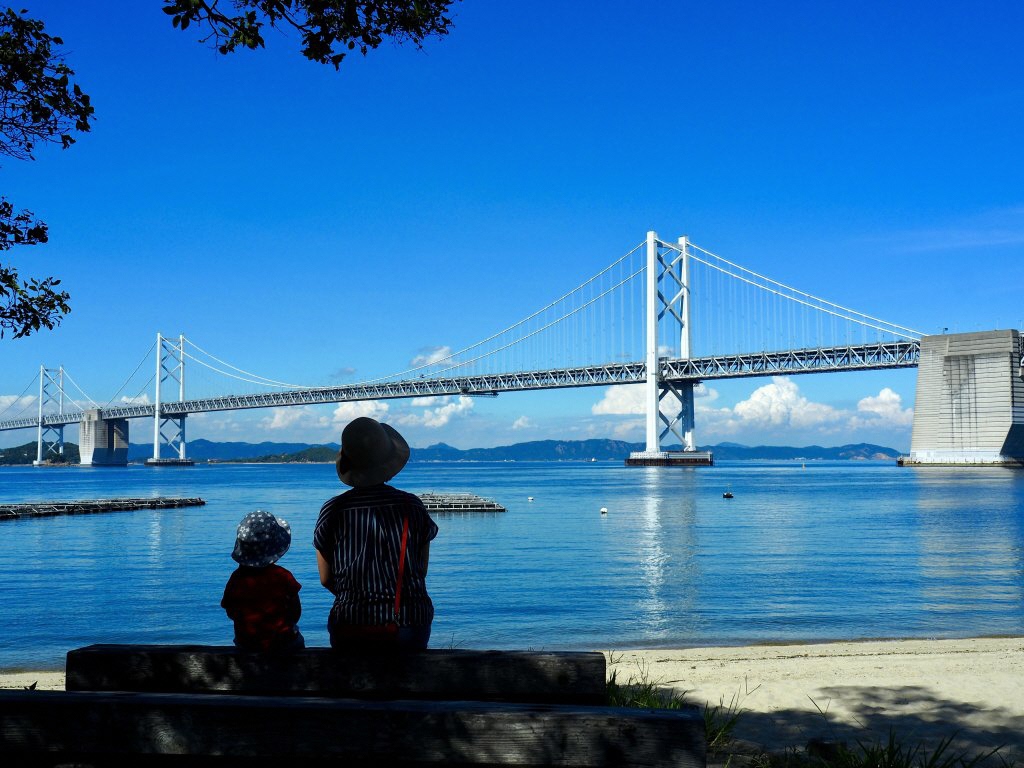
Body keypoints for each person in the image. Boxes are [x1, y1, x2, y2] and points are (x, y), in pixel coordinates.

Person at [313, 417, 438, 652]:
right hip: (408, 623)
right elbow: (420, 570)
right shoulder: (412, 506)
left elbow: (326, 579)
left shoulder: (333, 510)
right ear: (389, 463)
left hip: (351, 624)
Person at [222, 510, 305, 652]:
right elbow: (295, 613)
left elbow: (231, 612)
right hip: (282, 643)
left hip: (247, 643)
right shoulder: (283, 576)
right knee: (298, 641)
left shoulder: (236, 578)